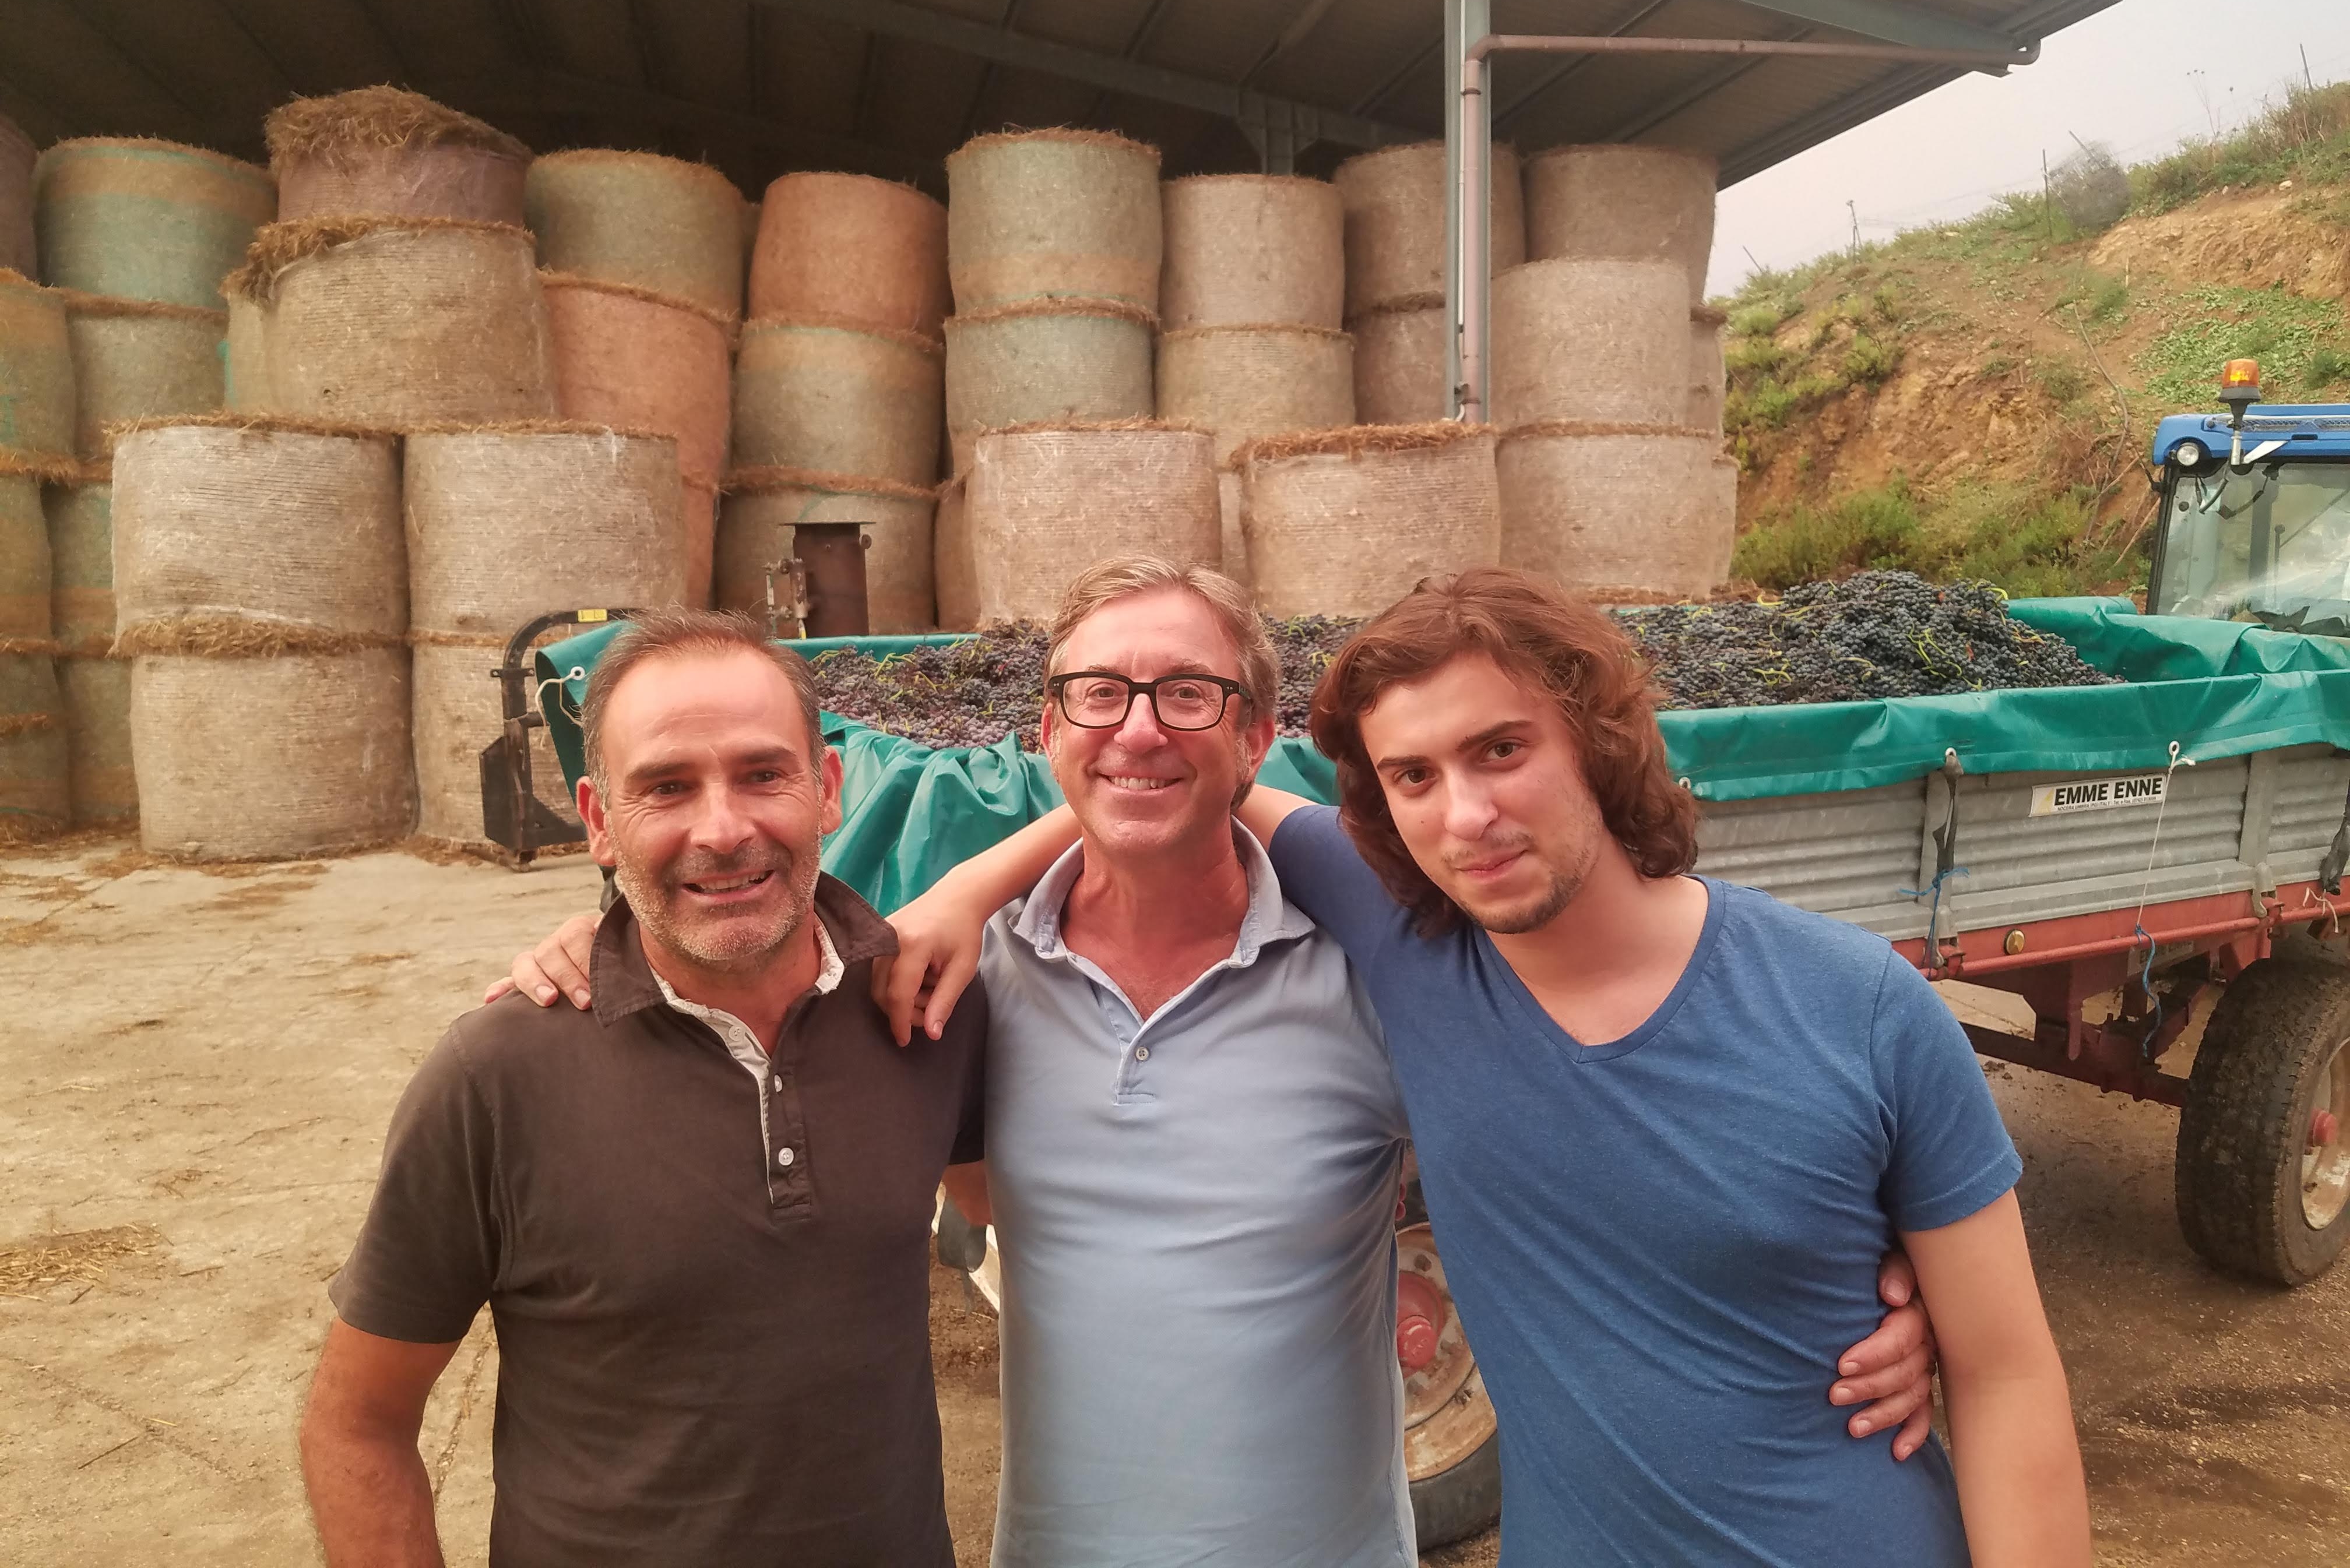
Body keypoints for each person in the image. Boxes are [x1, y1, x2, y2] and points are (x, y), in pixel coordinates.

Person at [499, 566, 1945, 1563]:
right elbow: (735, 980)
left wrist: (1876, 1285)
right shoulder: (959, 982)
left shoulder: (1374, 966)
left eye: (1189, 694)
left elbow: (1616, 1110)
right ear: (1046, 733)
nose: (1139, 727)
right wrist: (599, 934)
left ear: (1258, 740)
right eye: (1097, 697)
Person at [885, 566, 2091, 1568]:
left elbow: (2009, 1377)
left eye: (1504, 749)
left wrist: (1910, 1305)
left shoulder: (1861, 1005)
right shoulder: (1415, 960)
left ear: (1601, 737)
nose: (1465, 815)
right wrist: (966, 886)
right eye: (1413, 777)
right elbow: (1162, 781)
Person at [301, 609, 985, 1566]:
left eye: (763, 773)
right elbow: (360, 1425)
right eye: (666, 788)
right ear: (598, 823)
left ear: (827, 788)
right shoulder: (497, 1076)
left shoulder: (926, 1012)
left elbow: (1029, 1227)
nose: (723, 828)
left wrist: (983, 888)